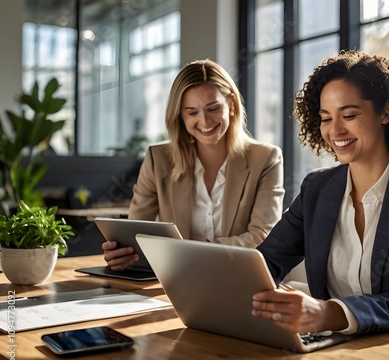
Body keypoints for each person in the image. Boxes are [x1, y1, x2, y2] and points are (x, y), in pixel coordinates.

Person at [252, 50, 389, 336]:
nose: (335, 130)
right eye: (325, 118)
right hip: (344, 350)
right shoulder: (317, 188)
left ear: (386, 112)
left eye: (349, 115)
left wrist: (331, 313)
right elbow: (267, 261)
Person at [103, 59, 285, 271]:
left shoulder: (265, 158)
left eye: (213, 108)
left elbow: (263, 237)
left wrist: (194, 254)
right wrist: (123, 252)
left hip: (237, 275)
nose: (205, 121)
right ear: (180, 116)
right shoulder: (158, 159)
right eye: (192, 112)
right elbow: (136, 232)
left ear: (232, 104)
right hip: (175, 280)